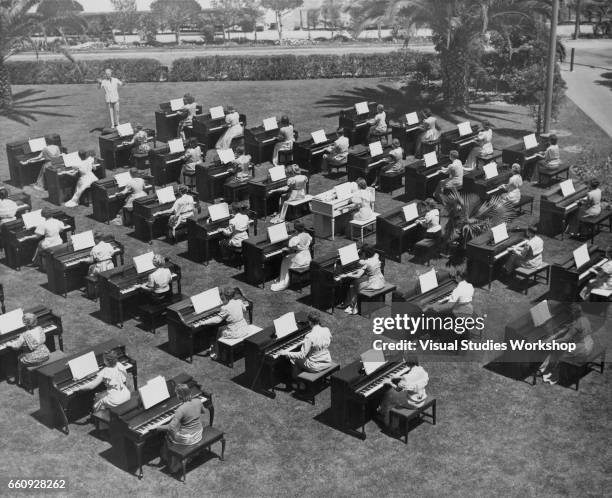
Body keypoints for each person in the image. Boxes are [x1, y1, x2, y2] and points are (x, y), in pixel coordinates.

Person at [538, 304, 594, 385]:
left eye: (571, 313)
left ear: (574, 313)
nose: (570, 314)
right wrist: (569, 327)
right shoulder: (584, 319)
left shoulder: (577, 324)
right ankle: (547, 368)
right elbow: (580, 328)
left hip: (582, 349)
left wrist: (550, 341)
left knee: (557, 351)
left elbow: (565, 339)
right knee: (559, 348)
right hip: (589, 344)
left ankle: (551, 374)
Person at [158, 383, 207, 474]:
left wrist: (156, 427)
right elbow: (204, 411)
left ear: (179, 396)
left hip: (188, 438)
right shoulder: (198, 401)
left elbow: (170, 427)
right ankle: (190, 456)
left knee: (168, 434)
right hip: (198, 433)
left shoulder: (180, 409)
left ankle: (173, 463)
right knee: (177, 428)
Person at [74, 350, 130, 418]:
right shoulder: (119, 365)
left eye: (104, 359)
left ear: (106, 361)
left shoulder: (105, 371)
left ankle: (99, 419)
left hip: (115, 399)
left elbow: (91, 386)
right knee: (101, 394)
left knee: (97, 399)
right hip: (125, 393)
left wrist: (78, 388)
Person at [199, 287, 251, 360]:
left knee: (220, 330)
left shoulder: (225, 308)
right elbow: (244, 310)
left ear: (225, 296)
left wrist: (203, 322)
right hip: (244, 328)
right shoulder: (239, 301)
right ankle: (221, 349)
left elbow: (217, 320)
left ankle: (217, 353)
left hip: (235, 332)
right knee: (222, 328)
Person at [280, 312, 333, 380]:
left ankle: (296, 381)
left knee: (294, 359)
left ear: (310, 322)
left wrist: (285, 353)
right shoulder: (326, 329)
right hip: (327, 361)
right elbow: (325, 340)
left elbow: (302, 355)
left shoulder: (309, 336)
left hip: (315, 366)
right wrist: (307, 343)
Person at [378, 359, 429, 429]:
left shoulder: (406, 379)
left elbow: (398, 389)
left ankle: (389, 423)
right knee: (392, 395)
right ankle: (382, 411)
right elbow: (411, 376)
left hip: (413, 403)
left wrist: (389, 382)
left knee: (390, 397)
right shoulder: (421, 370)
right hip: (421, 397)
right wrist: (398, 376)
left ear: (408, 364)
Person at [342, 244, 386, 315]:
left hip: (373, 284)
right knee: (356, 282)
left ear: (365, 253)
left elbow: (358, 275)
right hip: (380, 280)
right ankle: (349, 303)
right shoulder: (376, 255)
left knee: (353, 285)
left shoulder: (364, 262)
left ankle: (352, 306)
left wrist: (347, 274)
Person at [271, 221, 312, 292]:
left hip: (300, 260)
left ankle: (284, 280)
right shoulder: (308, 235)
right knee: (289, 258)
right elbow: (308, 242)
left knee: (285, 260)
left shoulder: (296, 238)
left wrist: (286, 247)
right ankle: (282, 277)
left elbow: (290, 245)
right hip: (307, 257)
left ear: (296, 229)